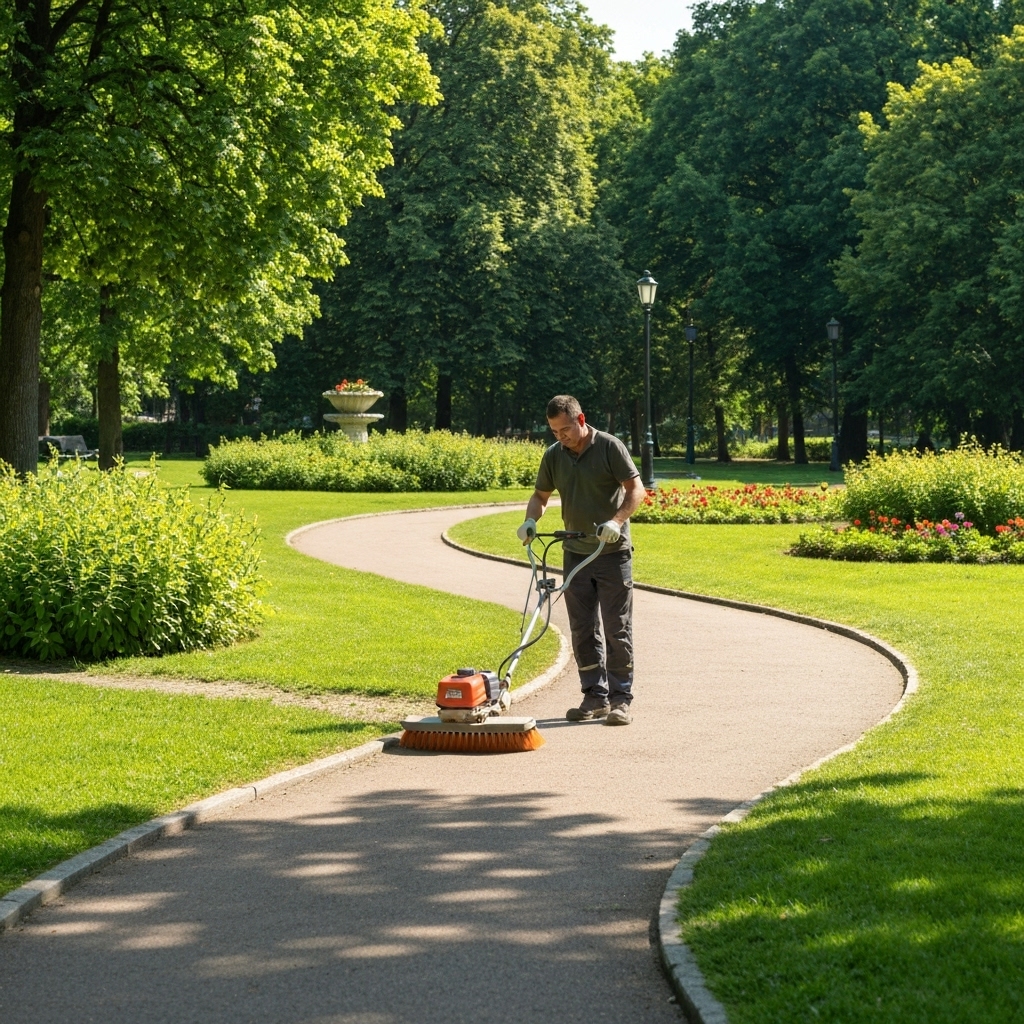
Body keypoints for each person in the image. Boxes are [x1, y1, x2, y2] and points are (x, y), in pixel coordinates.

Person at [518, 395, 645, 725]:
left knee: (617, 628)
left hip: (611, 554)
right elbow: (540, 496)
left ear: (581, 419)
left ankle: (621, 700)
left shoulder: (609, 447)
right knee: (582, 630)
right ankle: (594, 696)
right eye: (554, 432)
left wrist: (616, 522)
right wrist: (532, 520)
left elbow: (636, 489)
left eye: (565, 429)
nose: (561, 437)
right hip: (575, 554)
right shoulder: (554, 455)